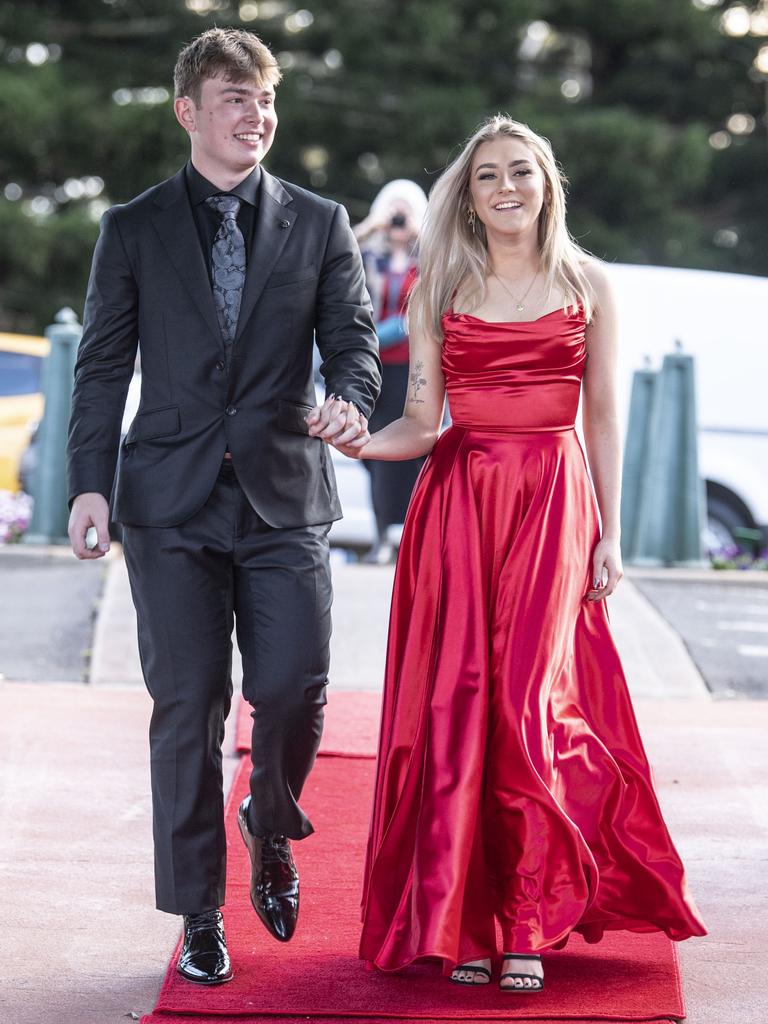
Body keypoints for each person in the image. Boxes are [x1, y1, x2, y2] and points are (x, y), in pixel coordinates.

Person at [341, 116, 707, 992]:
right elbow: (421, 424)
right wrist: (351, 441)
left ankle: (528, 922)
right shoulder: (436, 287)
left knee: (527, 710)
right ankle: (461, 919)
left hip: (553, 501)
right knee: (457, 707)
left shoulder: (590, 282)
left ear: (548, 184)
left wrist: (611, 534)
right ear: (467, 196)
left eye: (521, 172)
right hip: (459, 508)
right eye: (487, 177)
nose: (506, 187)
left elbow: (604, 416)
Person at [66, 27, 380, 986]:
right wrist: (90, 482)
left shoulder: (322, 222)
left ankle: (270, 821)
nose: (256, 115)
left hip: (286, 496)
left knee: (292, 687)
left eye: (265, 99)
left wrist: (353, 399)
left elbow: (355, 341)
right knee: (188, 707)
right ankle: (199, 910)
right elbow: (103, 364)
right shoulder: (134, 227)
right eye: (235, 98)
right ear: (188, 111)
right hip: (169, 503)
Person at [353, 181, 427, 562]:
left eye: (405, 211)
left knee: (407, 451)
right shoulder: (367, 255)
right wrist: (373, 224)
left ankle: (406, 537)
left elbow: (454, 261)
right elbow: (333, 252)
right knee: (373, 450)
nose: (399, 218)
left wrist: (421, 232)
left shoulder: (427, 259)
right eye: (393, 211)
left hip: (412, 369)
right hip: (371, 366)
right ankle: (384, 533)